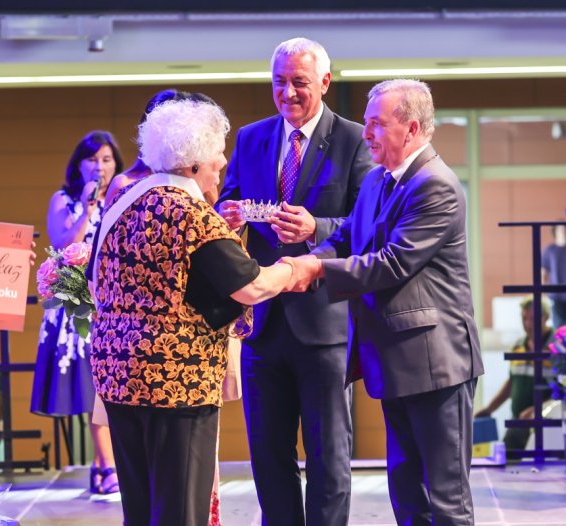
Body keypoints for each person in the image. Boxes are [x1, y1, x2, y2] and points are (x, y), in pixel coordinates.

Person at [91, 98, 299, 526]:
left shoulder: (123, 203)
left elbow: (98, 282)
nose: (220, 176)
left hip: (118, 375)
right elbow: (251, 285)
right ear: (190, 166)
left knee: (142, 508)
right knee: (181, 509)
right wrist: (296, 268)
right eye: (216, 166)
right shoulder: (189, 214)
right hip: (175, 379)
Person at [286, 79, 485, 524]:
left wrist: (315, 270)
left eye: (376, 124)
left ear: (411, 129)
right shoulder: (377, 180)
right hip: (395, 361)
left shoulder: (437, 186)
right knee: (406, 494)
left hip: (438, 365)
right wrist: (300, 265)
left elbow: (392, 263)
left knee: (446, 498)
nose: (367, 132)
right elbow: (343, 239)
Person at [215, 37, 372, 526]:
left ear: (324, 82)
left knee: (329, 457)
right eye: (279, 83)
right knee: (268, 456)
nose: (288, 93)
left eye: (299, 83)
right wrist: (229, 213)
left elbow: (367, 223)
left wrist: (317, 229)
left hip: (325, 324)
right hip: (263, 324)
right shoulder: (251, 138)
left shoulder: (353, 139)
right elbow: (230, 200)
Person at [30, 131, 124, 494]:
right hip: (76, 306)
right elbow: (63, 244)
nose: (99, 166)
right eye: (92, 159)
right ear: (79, 164)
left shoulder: (120, 196)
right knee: (93, 389)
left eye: (106, 159)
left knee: (112, 387)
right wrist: (86, 209)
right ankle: (106, 465)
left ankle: (105, 465)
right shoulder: (64, 199)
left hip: (114, 303)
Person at [476, 296, 554, 450]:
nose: (528, 324)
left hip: (547, 424)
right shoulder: (518, 347)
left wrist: (536, 410)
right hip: (518, 422)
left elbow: (562, 391)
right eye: (524, 318)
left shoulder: (557, 348)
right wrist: (489, 409)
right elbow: (512, 383)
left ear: (546, 317)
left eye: (533, 318)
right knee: (506, 461)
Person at [542, 223, 566, 329]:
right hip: (556, 295)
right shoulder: (549, 250)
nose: (563, 231)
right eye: (561, 229)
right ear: (555, 231)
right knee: (559, 326)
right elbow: (544, 272)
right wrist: (542, 291)